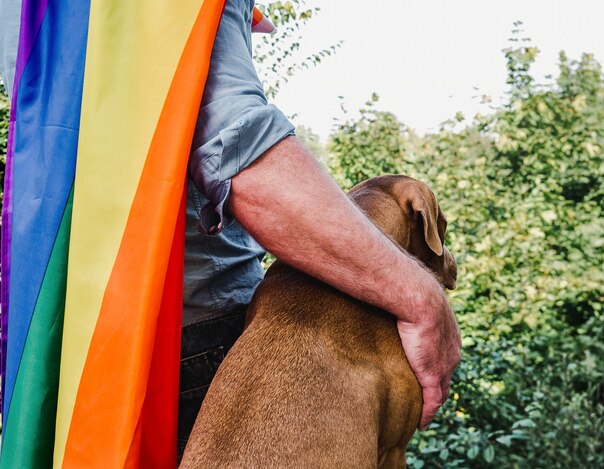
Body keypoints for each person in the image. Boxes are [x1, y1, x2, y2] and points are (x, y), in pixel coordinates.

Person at [0, 0, 461, 462]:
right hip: (192, 342)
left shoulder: (38, 14)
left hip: (81, 338)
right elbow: (237, 149)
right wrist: (420, 298)